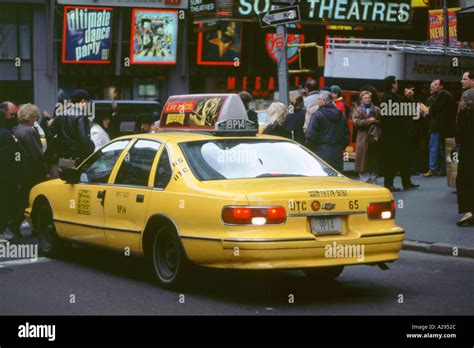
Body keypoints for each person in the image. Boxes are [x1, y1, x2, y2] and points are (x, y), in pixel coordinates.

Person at [11, 103, 46, 237]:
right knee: (32, 199)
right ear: (28, 116)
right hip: (32, 170)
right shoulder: (30, 131)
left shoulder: (16, 129)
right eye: (34, 116)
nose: (36, 119)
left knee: (23, 198)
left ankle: (15, 222)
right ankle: (19, 222)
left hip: (20, 169)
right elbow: (37, 154)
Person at [380, 76, 419, 191]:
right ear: (392, 84)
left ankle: (406, 181)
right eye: (396, 82)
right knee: (392, 160)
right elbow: (391, 118)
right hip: (393, 135)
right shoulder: (388, 98)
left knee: (403, 159)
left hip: (398, 135)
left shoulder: (393, 97)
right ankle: (389, 184)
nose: (397, 84)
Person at [49, 89, 95, 168]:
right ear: (83, 101)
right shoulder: (81, 116)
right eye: (88, 102)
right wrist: (92, 147)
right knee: (77, 179)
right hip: (77, 159)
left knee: (63, 179)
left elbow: (50, 134)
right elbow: (84, 139)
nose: (88, 105)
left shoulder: (61, 114)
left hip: (62, 158)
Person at [306, 91, 350, 171]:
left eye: (319, 99)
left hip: (320, 154)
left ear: (325, 101)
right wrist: (340, 147)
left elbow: (311, 135)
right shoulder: (342, 115)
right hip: (337, 154)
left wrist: (311, 148)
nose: (317, 101)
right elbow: (346, 136)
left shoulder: (317, 114)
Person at [423, 79, 456, 177]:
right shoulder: (438, 96)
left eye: (435, 85)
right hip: (444, 126)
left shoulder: (442, 94)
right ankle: (443, 169)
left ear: (441, 86)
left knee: (434, 148)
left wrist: (427, 110)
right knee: (442, 149)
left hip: (438, 126)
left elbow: (433, 109)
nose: (432, 86)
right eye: (431, 85)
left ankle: (433, 169)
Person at [0, 103, 22, 238]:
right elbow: (14, 157)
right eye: (12, 115)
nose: (14, 117)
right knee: (5, 202)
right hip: (5, 176)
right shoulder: (6, 134)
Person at [352, 91, 381, 184]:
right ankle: (364, 182)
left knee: (373, 160)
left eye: (369, 97)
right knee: (363, 160)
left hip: (374, 138)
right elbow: (356, 122)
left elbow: (382, 121)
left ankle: (373, 181)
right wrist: (369, 120)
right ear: (361, 99)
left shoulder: (376, 109)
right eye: (365, 98)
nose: (368, 99)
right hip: (363, 138)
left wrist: (374, 121)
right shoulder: (358, 110)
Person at [455, 89, 474, 226]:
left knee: (464, 181)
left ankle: (468, 212)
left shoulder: (463, 115)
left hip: (468, 152)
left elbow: (459, 136)